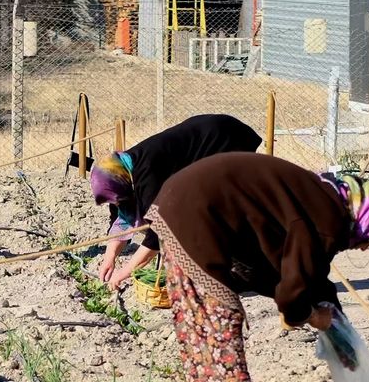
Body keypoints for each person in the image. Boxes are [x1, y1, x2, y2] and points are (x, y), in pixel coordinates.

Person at [143, 152, 369, 382]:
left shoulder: (323, 201)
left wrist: (339, 332)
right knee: (221, 315)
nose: (365, 247)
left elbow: (299, 272)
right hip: (197, 212)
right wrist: (310, 316)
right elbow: (294, 289)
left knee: (195, 309)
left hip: (179, 200)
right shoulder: (328, 221)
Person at [90, 114, 262, 289]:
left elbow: (158, 234)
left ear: (122, 184)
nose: (116, 204)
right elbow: (121, 220)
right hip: (204, 137)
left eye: (116, 200)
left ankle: (244, 271)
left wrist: (123, 273)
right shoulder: (119, 174)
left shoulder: (147, 177)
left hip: (223, 139)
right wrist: (109, 257)